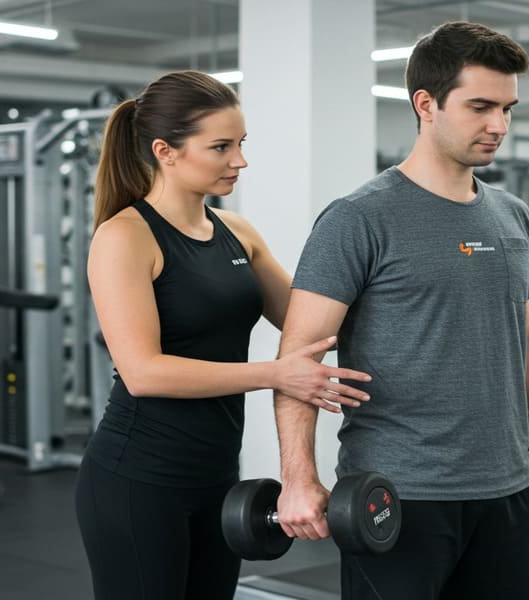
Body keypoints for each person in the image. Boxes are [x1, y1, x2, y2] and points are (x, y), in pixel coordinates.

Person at [272, 22, 529, 599]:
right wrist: (298, 478)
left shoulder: (511, 216)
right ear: (425, 104)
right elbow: (297, 359)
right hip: (399, 493)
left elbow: (524, 343)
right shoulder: (358, 218)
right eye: (480, 106)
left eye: (508, 108)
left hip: (505, 489)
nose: (499, 125)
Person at [74, 70, 372, 600]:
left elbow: (308, 321)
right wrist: (277, 374)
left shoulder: (238, 231)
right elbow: (143, 373)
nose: (240, 161)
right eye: (221, 147)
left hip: (217, 475)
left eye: (241, 144)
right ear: (166, 151)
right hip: (137, 477)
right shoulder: (125, 237)